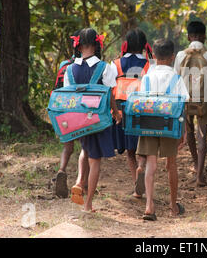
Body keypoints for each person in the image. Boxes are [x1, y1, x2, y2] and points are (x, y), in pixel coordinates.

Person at [64, 27, 122, 212]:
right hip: (99, 120)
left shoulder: (69, 70)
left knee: (85, 149)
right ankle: (88, 204)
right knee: (95, 159)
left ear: (78, 45)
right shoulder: (105, 68)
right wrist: (116, 113)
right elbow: (111, 94)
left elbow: (67, 95)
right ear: (97, 45)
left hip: (79, 120)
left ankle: (80, 181)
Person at [136, 39, 189, 221]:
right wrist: (184, 130)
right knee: (171, 165)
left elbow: (141, 101)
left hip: (149, 123)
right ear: (173, 57)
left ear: (154, 57)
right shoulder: (176, 78)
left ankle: (149, 205)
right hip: (170, 124)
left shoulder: (147, 77)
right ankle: (173, 206)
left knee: (151, 165)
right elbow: (183, 105)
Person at [174, 21, 207, 187]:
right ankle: (200, 175)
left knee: (189, 132)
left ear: (188, 36)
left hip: (185, 98)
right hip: (205, 97)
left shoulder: (180, 55)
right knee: (202, 135)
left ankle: (194, 165)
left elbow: (176, 76)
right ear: (205, 35)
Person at [111, 28, 152, 198]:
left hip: (122, 111)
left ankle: (137, 185)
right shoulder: (150, 65)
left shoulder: (116, 64)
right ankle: (142, 166)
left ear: (125, 45)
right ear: (144, 45)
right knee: (142, 146)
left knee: (129, 150)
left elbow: (110, 88)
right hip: (143, 110)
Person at [52, 30, 87, 198]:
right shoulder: (86, 66)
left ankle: (61, 170)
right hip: (82, 111)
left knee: (68, 147)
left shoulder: (64, 65)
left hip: (64, 110)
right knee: (85, 148)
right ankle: (82, 183)